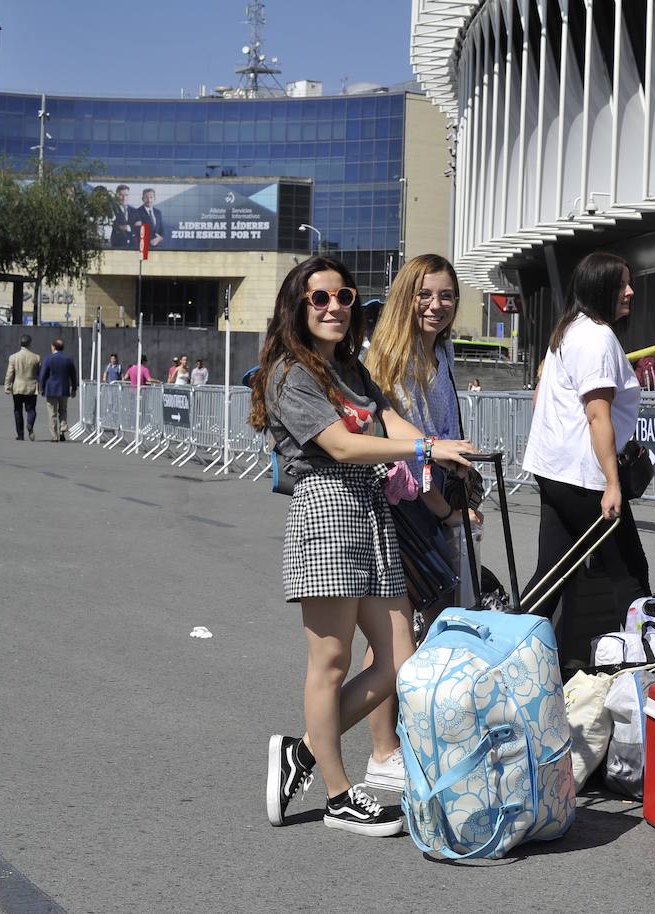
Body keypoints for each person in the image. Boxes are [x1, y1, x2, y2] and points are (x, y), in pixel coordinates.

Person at [252, 255, 473, 836]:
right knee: (332, 661)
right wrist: (423, 452)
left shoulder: (349, 368)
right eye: (319, 299)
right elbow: (344, 446)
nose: (334, 308)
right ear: (297, 307)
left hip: (372, 514)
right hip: (326, 513)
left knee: (401, 659)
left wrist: (435, 443)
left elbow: (386, 417)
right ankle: (337, 793)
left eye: (344, 297)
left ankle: (302, 750)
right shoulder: (287, 374)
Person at [364, 253, 483, 791]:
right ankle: (384, 750)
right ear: (405, 296)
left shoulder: (441, 349)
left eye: (447, 296)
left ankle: (413, 741)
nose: (437, 306)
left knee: (426, 623)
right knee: (394, 632)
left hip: (432, 498)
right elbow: (404, 445)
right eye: (425, 295)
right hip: (402, 503)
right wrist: (447, 507)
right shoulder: (391, 355)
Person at [521, 251, 650, 656]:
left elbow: (540, 396)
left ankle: (508, 657)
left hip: (555, 470)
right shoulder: (598, 336)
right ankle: (642, 665)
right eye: (621, 284)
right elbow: (598, 416)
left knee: (551, 574)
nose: (630, 292)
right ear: (600, 288)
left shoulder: (569, 328)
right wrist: (613, 483)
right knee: (630, 573)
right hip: (585, 478)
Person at [38, 338, 78, 442]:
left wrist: (41, 387)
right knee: (63, 410)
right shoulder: (68, 359)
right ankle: (63, 427)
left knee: (52, 413)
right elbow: (73, 375)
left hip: (51, 389)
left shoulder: (48, 359)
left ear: (54, 347)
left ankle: (54, 436)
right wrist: (74, 388)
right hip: (64, 389)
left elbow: (43, 375)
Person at [4, 334, 41, 441]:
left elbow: (10, 373)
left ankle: (20, 435)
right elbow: (39, 373)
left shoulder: (13, 357)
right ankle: (30, 424)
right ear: (30, 343)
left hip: (18, 387)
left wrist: (7, 385)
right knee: (31, 409)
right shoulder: (36, 357)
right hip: (31, 387)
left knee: (17, 411)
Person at [109, 184, 135, 249]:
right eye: (121, 195)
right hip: (117, 244)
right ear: (116, 195)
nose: (124, 198)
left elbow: (138, 227)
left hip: (132, 245)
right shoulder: (111, 209)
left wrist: (128, 227)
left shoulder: (134, 210)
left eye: (126, 195)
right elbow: (111, 225)